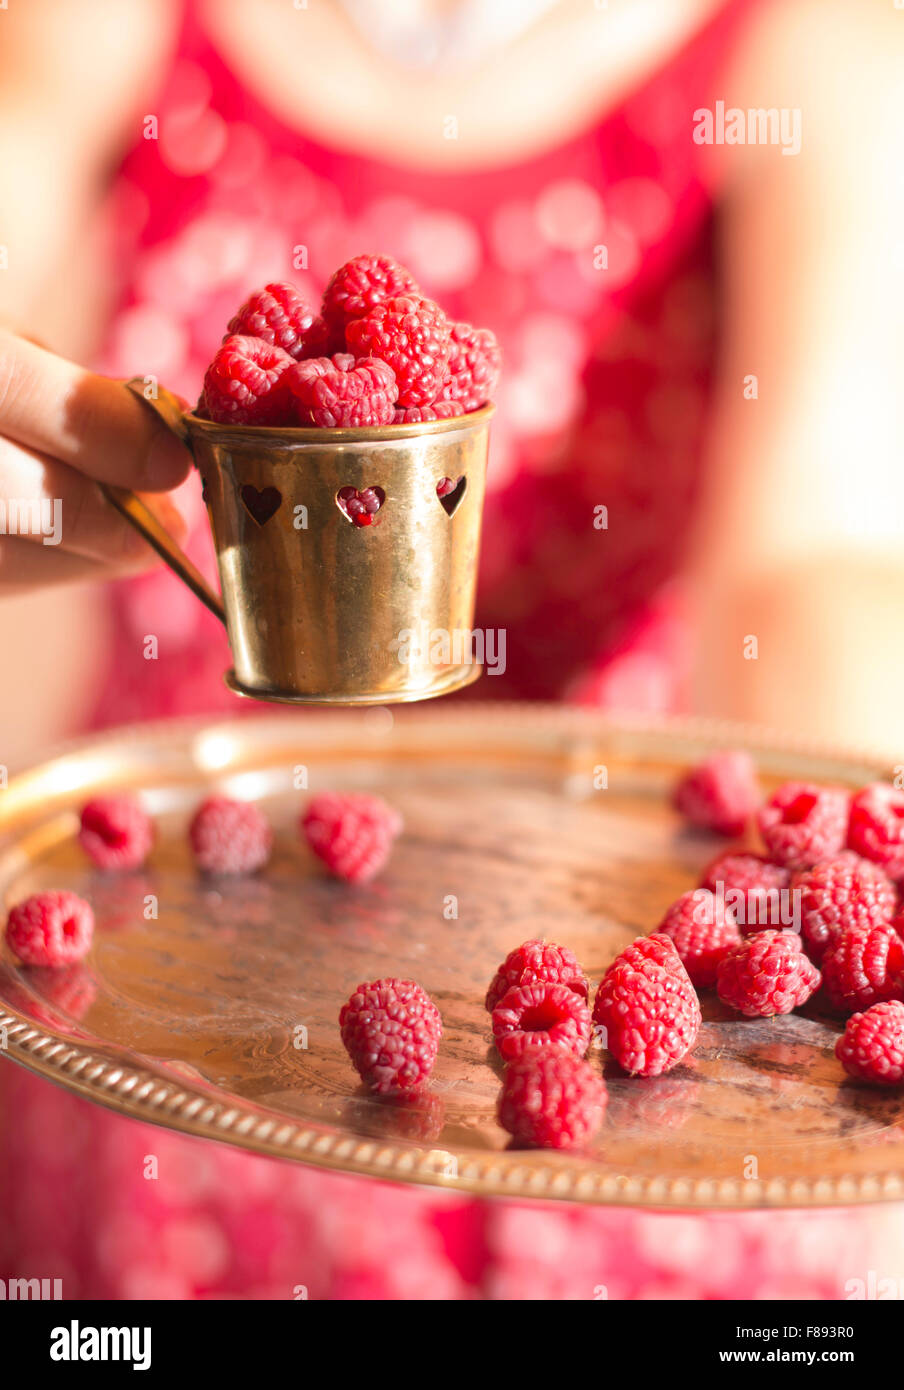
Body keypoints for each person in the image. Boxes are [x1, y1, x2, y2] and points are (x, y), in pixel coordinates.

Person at [0, 0, 902, 1299]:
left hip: (605, 1044)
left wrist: (840, 889)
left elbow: (810, 554)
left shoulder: (802, 45)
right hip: (187, 1016)